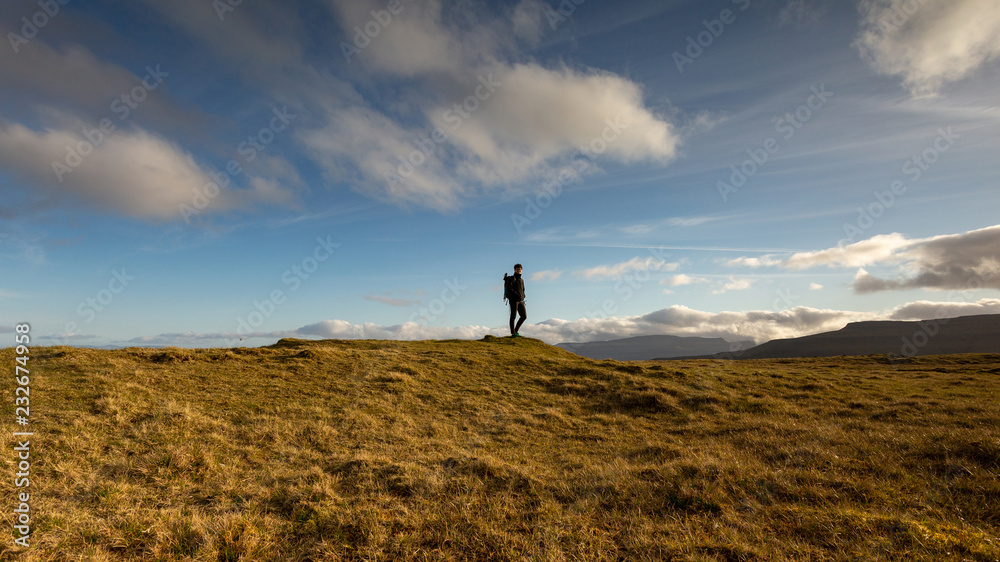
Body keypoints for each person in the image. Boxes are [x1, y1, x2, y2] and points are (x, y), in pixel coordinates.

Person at [503, 264, 527, 337]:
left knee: (524, 316)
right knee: (513, 316)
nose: (518, 270)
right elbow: (510, 289)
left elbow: (523, 289)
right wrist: (517, 294)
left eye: (519, 269)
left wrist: (523, 296)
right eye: (517, 269)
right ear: (514, 270)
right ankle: (513, 333)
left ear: (521, 270)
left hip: (521, 300)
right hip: (513, 300)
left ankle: (516, 331)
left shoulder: (521, 280)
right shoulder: (511, 278)